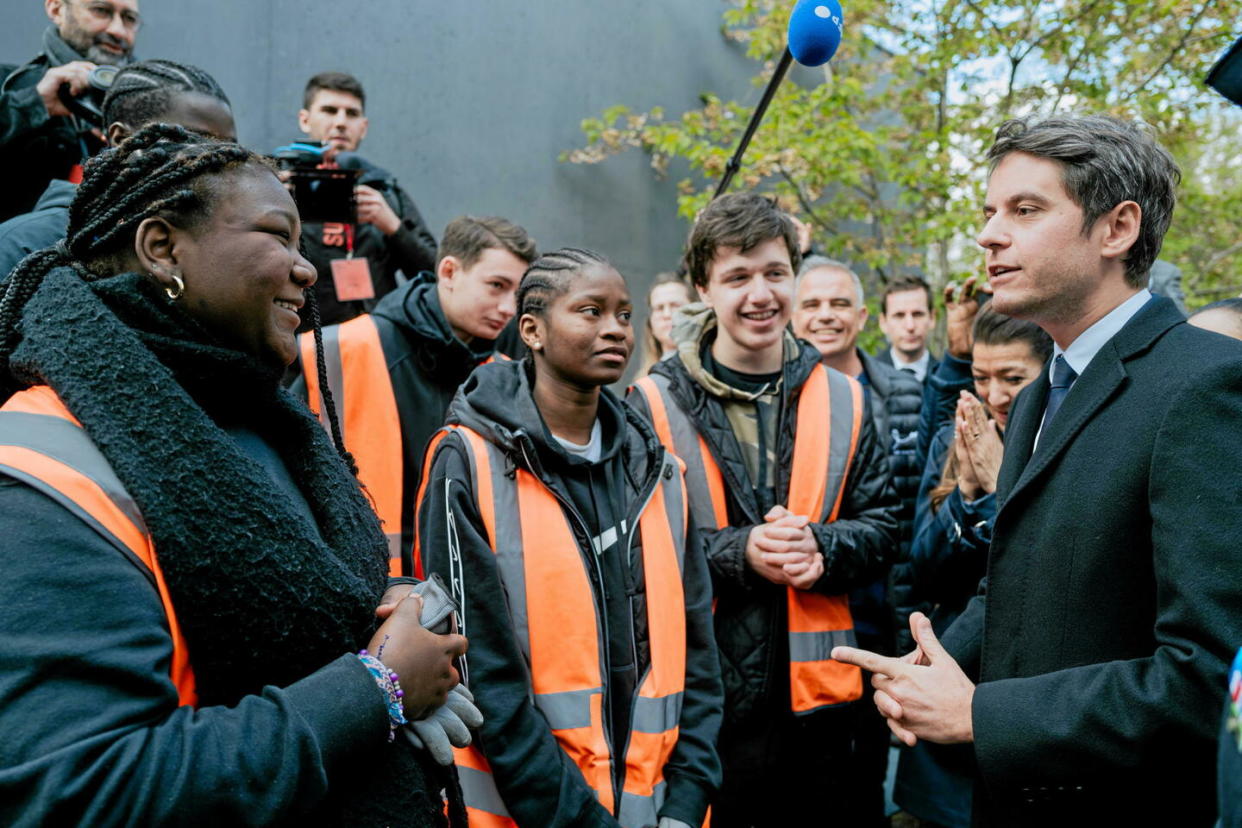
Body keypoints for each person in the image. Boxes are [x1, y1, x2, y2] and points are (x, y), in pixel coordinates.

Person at [0, 124, 470, 825]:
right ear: (163, 248)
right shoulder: (42, 465)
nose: (306, 267)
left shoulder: (255, 415)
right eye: (278, 236)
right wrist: (375, 687)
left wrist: (373, 613)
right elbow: (85, 787)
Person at [832, 115, 1242, 826]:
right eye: (989, 212)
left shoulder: (1205, 386)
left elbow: (1206, 677)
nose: (989, 235)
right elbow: (1016, 586)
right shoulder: (1032, 402)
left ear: (1117, 229)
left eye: (1025, 210)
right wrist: (927, 670)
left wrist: (984, 714)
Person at [416, 247, 723, 828]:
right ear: (531, 330)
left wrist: (686, 804)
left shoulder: (658, 468)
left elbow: (699, 653)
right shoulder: (468, 461)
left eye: (625, 315)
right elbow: (482, 677)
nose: (616, 329)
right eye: (590, 311)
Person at [628, 193, 898, 827]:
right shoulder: (649, 404)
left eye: (775, 273)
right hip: (702, 705)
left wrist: (824, 548)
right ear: (703, 287)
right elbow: (627, 555)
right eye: (737, 276)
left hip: (821, 709)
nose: (760, 294)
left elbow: (885, 526)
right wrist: (739, 552)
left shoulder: (846, 398)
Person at [295, 214, 536, 575]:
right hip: (355, 591)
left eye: (517, 294)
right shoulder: (342, 350)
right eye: (496, 285)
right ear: (450, 272)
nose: (508, 308)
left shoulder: (504, 376)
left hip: (467, 599)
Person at [892, 306, 1051, 828]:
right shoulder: (951, 439)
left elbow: (1034, 572)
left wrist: (1003, 486)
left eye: (1013, 378)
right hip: (949, 667)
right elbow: (923, 568)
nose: (996, 396)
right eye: (982, 377)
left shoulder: (1058, 445)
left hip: (1021, 693)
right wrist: (965, 494)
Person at [790, 254, 921, 824]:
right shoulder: (778, 395)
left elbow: (911, 509)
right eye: (812, 304)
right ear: (793, 316)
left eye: (839, 303)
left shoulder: (902, 393)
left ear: (863, 315)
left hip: (879, 608)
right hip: (800, 612)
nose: (826, 316)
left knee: (865, 772)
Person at [0, 58, 235, 277]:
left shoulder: (219, 248)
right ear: (121, 139)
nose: (213, 158)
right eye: (191, 139)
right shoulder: (24, 244)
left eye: (228, 148)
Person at [290, 71, 438, 328]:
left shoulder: (384, 189)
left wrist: (393, 228)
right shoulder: (279, 185)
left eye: (352, 113)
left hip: (374, 344)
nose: (340, 122)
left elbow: (435, 274)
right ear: (305, 120)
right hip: (299, 344)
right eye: (329, 110)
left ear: (364, 127)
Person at [1, 0, 140, 222]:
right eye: (100, 10)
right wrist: (35, 105)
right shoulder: (7, 85)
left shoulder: (150, 104)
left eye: (129, 18)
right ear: (56, 8)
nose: (118, 30)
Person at [876, 275, 936, 382]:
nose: (910, 326)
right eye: (899, 315)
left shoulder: (949, 379)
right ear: (883, 322)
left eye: (918, 314)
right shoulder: (866, 378)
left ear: (932, 318)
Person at [637, 273, 697, 375]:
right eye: (659, 308)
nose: (667, 315)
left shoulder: (715, 369)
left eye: (675, 305)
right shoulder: (644, 383)